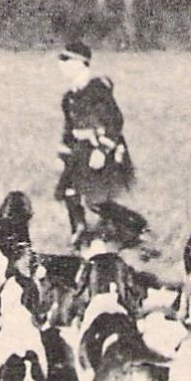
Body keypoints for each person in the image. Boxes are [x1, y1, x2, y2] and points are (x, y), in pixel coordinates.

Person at [54, 40, 133, 237]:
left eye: (66, 60)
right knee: (69, 192)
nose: (61, 65)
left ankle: (137, 227)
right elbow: (69, 131)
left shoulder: (98, 91)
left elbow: (115, 122)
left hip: (104, 153)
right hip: (81, 153)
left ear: (81, 64)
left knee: (96, 201)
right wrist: (62, 156)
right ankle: (79, 235)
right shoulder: (69, 98)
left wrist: (103, 150)